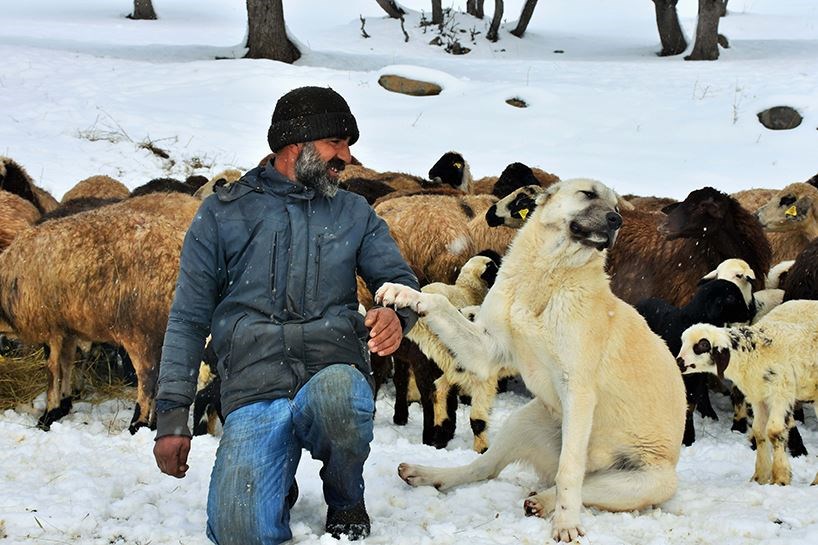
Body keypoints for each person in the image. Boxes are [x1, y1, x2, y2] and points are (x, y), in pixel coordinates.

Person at [153, 86, 419, 545]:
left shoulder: (354, 212)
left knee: (342, 398)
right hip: (255, 382)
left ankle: (345, 495)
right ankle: (275, 477)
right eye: (337, 143)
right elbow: (188, 318)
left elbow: (398, 279)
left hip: (330, 366)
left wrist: (395, 313)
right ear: (297, 144)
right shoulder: (222, 214)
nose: (348, 157)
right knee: (240, 533)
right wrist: (172, 416)